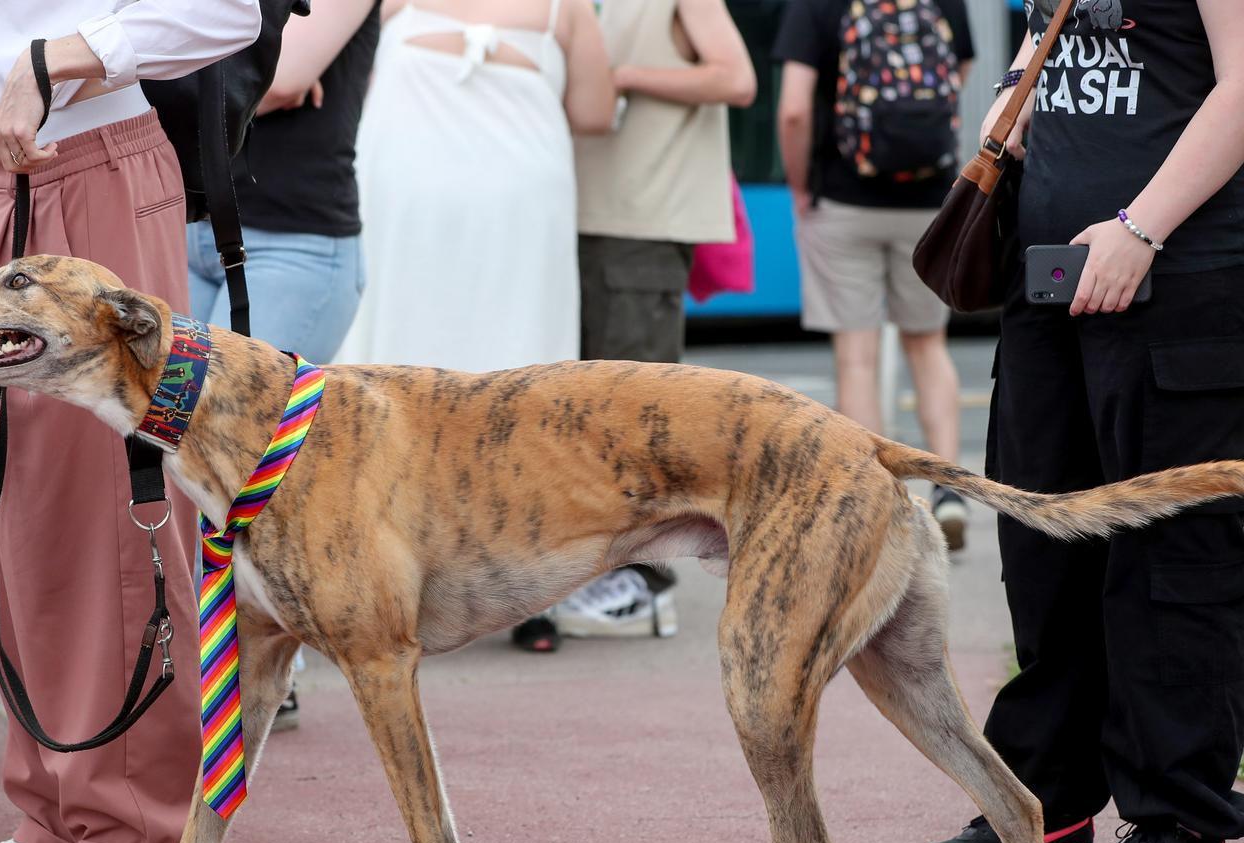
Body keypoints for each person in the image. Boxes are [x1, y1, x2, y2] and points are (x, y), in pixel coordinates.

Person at [0, 0, 262, 843]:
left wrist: (52, 65)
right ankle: (63, 813)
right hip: (17, 169)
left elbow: (226, 9)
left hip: (95, 171)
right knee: (18, 512)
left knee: (114, 511)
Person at [919, 0, 1244, 843]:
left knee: (1170, 559)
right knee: (1042, 544)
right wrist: (1010, 104)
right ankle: (1044, 800)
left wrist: (1142, 230)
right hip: (1049, 272)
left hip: (1176, 278)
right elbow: (1046, 33)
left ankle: (1183, 823)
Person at [537, 0, 755, 651]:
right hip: (599, 221)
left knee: (635, 421)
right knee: (597, 421)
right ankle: (615, 580)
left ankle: (641, 587)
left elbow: (736, 78)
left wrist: (624, 76)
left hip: (640, 226)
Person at [186, 0, 379, 732]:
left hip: (295, 242)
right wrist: (238, 73)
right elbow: (258, 78)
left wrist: (189, 69)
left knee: (235, 472)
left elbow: (286, 74)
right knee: (178, 466)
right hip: (192, 226)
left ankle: (260, 672)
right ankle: (212, 668)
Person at [774, 0, 975, 550]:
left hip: (844, 202)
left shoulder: (813, 8)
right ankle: (949, 491)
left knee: (857, 357)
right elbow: (956, 88)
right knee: (929, 347)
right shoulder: (945, 2)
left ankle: (881, 504)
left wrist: (800, 187)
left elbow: (793, 110)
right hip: (927, 202)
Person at [336, 0, 615, 372]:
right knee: (518, 323)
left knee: (400, 314)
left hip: (408, 184)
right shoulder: (565, 8)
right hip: (521, 195)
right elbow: (595, 112)